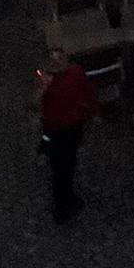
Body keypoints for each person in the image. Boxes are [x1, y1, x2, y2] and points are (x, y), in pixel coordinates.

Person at [37, 47, 97, 223]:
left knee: (70, 163)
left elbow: (87, 92)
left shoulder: (76, 72)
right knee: (59, 170)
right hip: (54, 132)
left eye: (61, 60)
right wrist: (41, 89)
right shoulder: (44, 77)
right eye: (54, 61)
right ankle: (60, 206)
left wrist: (93, 112)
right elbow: (33, 103)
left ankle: (69, 196)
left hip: (73, 128)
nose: (59, 64)